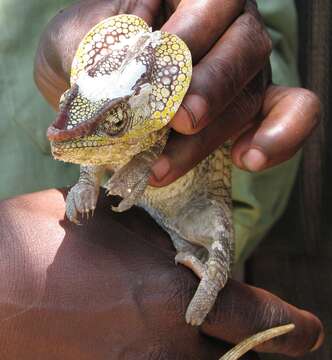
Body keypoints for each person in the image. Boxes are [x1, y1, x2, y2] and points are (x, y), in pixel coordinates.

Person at [0, 0, 324, 358]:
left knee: (215, 241)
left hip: (177, 243)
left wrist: (236, 82)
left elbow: (257, 56)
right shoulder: (100, 107)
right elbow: (93, 138)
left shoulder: (142, 113)